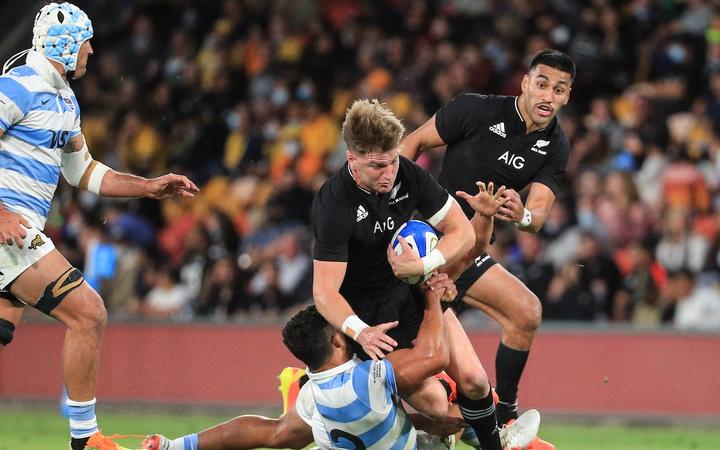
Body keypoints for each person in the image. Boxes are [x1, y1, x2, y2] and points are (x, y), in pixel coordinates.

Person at [0, 3, 199, 450]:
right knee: (88, 311)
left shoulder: (63, 99)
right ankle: (85, 438)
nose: (91, 50)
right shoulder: (18, 86)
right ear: (64, 45)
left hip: (18, 231)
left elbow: (84, 172)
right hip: (8, 230)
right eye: (85, 40)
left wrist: (149, 187)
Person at [310, 99, 536, 450]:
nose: (388, 173)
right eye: (377, 166)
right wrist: (362, 332)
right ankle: (434, 432)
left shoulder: (408, 174)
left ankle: (489, 441)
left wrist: (425, 267)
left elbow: (461, 231)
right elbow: (325, 292)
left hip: (412, 290)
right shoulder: (333, 205)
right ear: (352, 158)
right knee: (433, 404)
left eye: (393, 161)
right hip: (370, 316)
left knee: (476, 381)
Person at [141, 274, 539, 450]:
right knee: (446, 413)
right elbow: (435, 355)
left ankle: (176, 447)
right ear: (336, 338)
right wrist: (433, 298)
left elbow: (265, 435)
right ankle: (496, 439)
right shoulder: (370, 378)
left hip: (348, 431)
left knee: (280, 433)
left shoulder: (313, 397)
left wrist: (177, 443)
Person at [402, 49, 576, 449]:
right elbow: (414, 143)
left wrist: (521, 215)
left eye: (560, 89)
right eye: (543, 83)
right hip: (428, 244)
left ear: (567, 97)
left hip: (471, 252)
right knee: (424, 365)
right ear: (526, 83)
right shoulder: (475, 110)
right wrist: (394, 212)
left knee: (526, 312)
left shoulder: (555, 146)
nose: (549, 94)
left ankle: (504, 415)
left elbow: (538, 214)